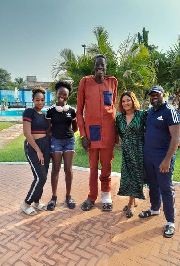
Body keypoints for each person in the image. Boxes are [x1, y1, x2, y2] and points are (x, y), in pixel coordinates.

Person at [139, 85, 180, 238]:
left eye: (156, 94)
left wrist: (167, 160)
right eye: (151, 95)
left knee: (166, 188)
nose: (154, 97)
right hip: (148, 155)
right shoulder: (150, 112)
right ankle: (154, 208)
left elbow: (176, 138)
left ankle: (170, 222)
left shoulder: (171, 111)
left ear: (164, 95)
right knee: (153, 185)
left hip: (163, 157)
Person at [77, 54, 118, 212]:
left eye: (102, 65)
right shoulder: (85, 82)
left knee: (106, 166)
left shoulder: (112, 82)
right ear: (94, 67)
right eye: (97, 65)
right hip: (92, 132)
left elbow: (113, 105)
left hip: (108, 130)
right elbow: (79, 111)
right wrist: (83, 135)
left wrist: (116, 133)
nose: (100, 68)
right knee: (93, 167)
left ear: (106, 67)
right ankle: (91, 197)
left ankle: (106, 195)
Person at [46, 81, 78, 211]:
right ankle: (53, 197)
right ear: (56, 93)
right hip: (56, 142)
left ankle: (68, 196)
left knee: (68, 170)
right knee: (55, 169)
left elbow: (75, 128)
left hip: (69, 141)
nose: (62, 96)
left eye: (65, 94)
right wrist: (54, 139)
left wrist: (67, 135)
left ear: (67, 96)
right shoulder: (50, 111)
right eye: (60, 93)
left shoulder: (72, 111)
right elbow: (48, 130)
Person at [116, 91, 147, 218]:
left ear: (133, 101)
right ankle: (133, 200)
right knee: (127, 176)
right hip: (126, 151)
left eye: (128, 100)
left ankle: (131, 203)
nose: (126, 103)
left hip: (139, 150)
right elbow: (121, 134)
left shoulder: (142, 115)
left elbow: (150, 129)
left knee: (135, 176)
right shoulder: (119, 118)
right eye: (123, 101)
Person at [21, 86, 50, 216]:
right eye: (37, 100)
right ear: (33, 100)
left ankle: (36, 202)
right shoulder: (29, 112)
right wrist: (38, 150)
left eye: (42, 100)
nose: (40, 102)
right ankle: (26, 203)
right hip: (33, 147)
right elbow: (27, 133)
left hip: (45, 146)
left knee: (42, 176)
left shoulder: (44, 115)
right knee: (40, 177)